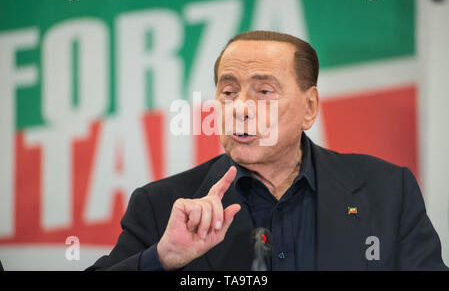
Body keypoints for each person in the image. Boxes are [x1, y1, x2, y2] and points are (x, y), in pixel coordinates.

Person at [87, 30, 447, 271]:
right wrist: (161, 259)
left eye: (263, 92)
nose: (241, 107)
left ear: (309, 107)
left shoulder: (387, 190)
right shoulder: (161, 205)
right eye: (228, 93)